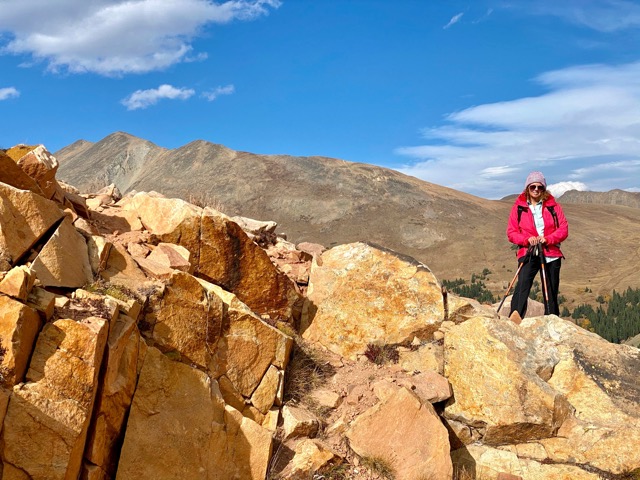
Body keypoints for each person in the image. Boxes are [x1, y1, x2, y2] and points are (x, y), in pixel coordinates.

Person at [507, 171, 568, 317]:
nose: (536, 190)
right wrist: (526, 240)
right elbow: (511, 232)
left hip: (551, 254)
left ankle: (552, 319)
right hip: (528, 252)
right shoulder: (519, 207)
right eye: (532, 186)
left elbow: (563, 229)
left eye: (539, 187)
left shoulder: (554, 207)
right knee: (522, 287)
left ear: (544, 189)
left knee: (551, 290)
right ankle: (515, 318)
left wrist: (548, 239)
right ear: (527, 188)